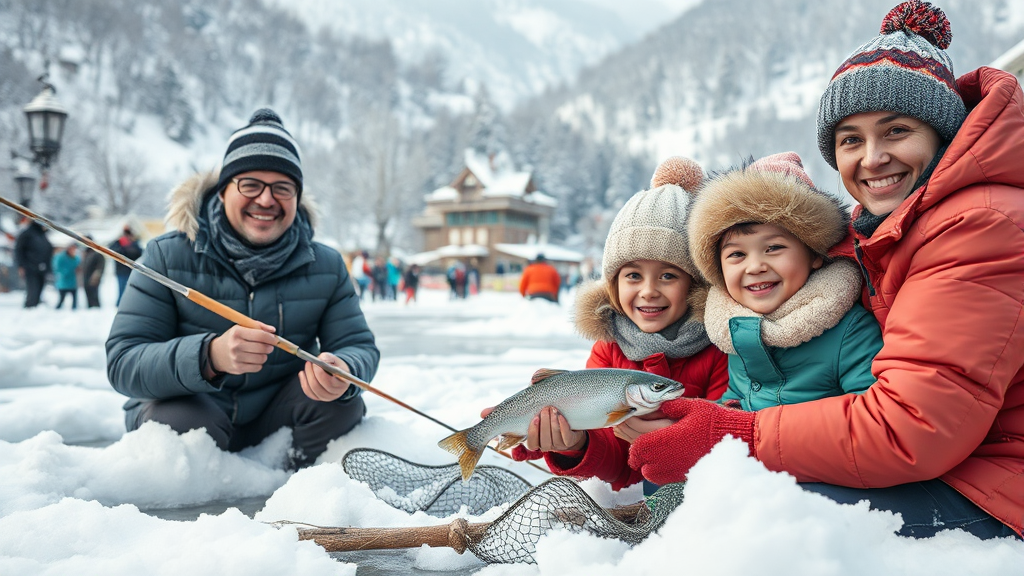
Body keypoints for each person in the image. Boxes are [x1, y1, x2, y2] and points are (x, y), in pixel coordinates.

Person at [659, 1, 1024, 540]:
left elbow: (914, 427)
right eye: (850, 140)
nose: (872, 158)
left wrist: (737, 434)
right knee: (708, 497)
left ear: (941, 135)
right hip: (955, 464)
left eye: (895, 131)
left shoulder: (979, 226)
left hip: (995, 484)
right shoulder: (888, 230)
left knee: (754, 518)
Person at [106, 108, 379, 469]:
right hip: (193, 410)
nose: (266, 200)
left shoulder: (326, 265)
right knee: (180, 422)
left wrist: (344, 371)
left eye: (282, 188)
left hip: (275, 418)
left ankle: (294, 497)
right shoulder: (165, 255)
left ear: (296, 199)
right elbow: (124, 362)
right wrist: (209, 357)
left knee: (343, 406)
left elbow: (358, 346)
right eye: (250, 184)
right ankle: (195, 506)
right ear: (222, 192)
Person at [507, 157, 729, 494]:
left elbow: (729, 446)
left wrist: (675, 441)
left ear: (695, 284)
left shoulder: (721, 348)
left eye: (668, 275)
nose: (648, 290)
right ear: (613, 283)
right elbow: (618, 468)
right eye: (633, 275)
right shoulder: (608, 349)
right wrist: (575, 446)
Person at [688, 152, 883, 412]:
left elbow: (869, 414)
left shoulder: (850, 331)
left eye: (774, 248)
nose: (755, 266)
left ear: (814, 254)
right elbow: (736, 398)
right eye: (737, 254)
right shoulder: (736, 327)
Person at [13, 217, 52, 308]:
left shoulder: (42, 235)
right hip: (30, 267)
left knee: (40, 288)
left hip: (42, 267)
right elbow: (18, 250)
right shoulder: (26, 234)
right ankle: (29, 306)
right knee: (32, 289)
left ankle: (36, 305)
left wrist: (48, 267)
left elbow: (48, 251)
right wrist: (21, 265)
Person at [108, 225, 142, 306]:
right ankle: (119, 305)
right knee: (121, 289)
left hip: (131, 271)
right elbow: (112, 250)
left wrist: (130, 245)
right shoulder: (118, 243)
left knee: (131, 290)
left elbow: (139, 253)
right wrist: (122, 244)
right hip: (121, 271)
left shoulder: (134, 243)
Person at [51, 244, 81, 310]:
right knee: (62, 298)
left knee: (74, 299)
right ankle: (57, 310)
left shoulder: (76, 258)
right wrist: (67, 271)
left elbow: (78, 266)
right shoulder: (60, 257)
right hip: (63, 281)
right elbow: (56, 268)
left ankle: (74, 310)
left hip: (72, 281)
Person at [80, 236, 105, 308]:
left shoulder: (97, 253)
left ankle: (96, 310)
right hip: (86, 277)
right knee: (88, 295)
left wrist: (96, 275)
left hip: (93, 278)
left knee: (94, 296)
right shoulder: (86, 252)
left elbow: (100, 267)